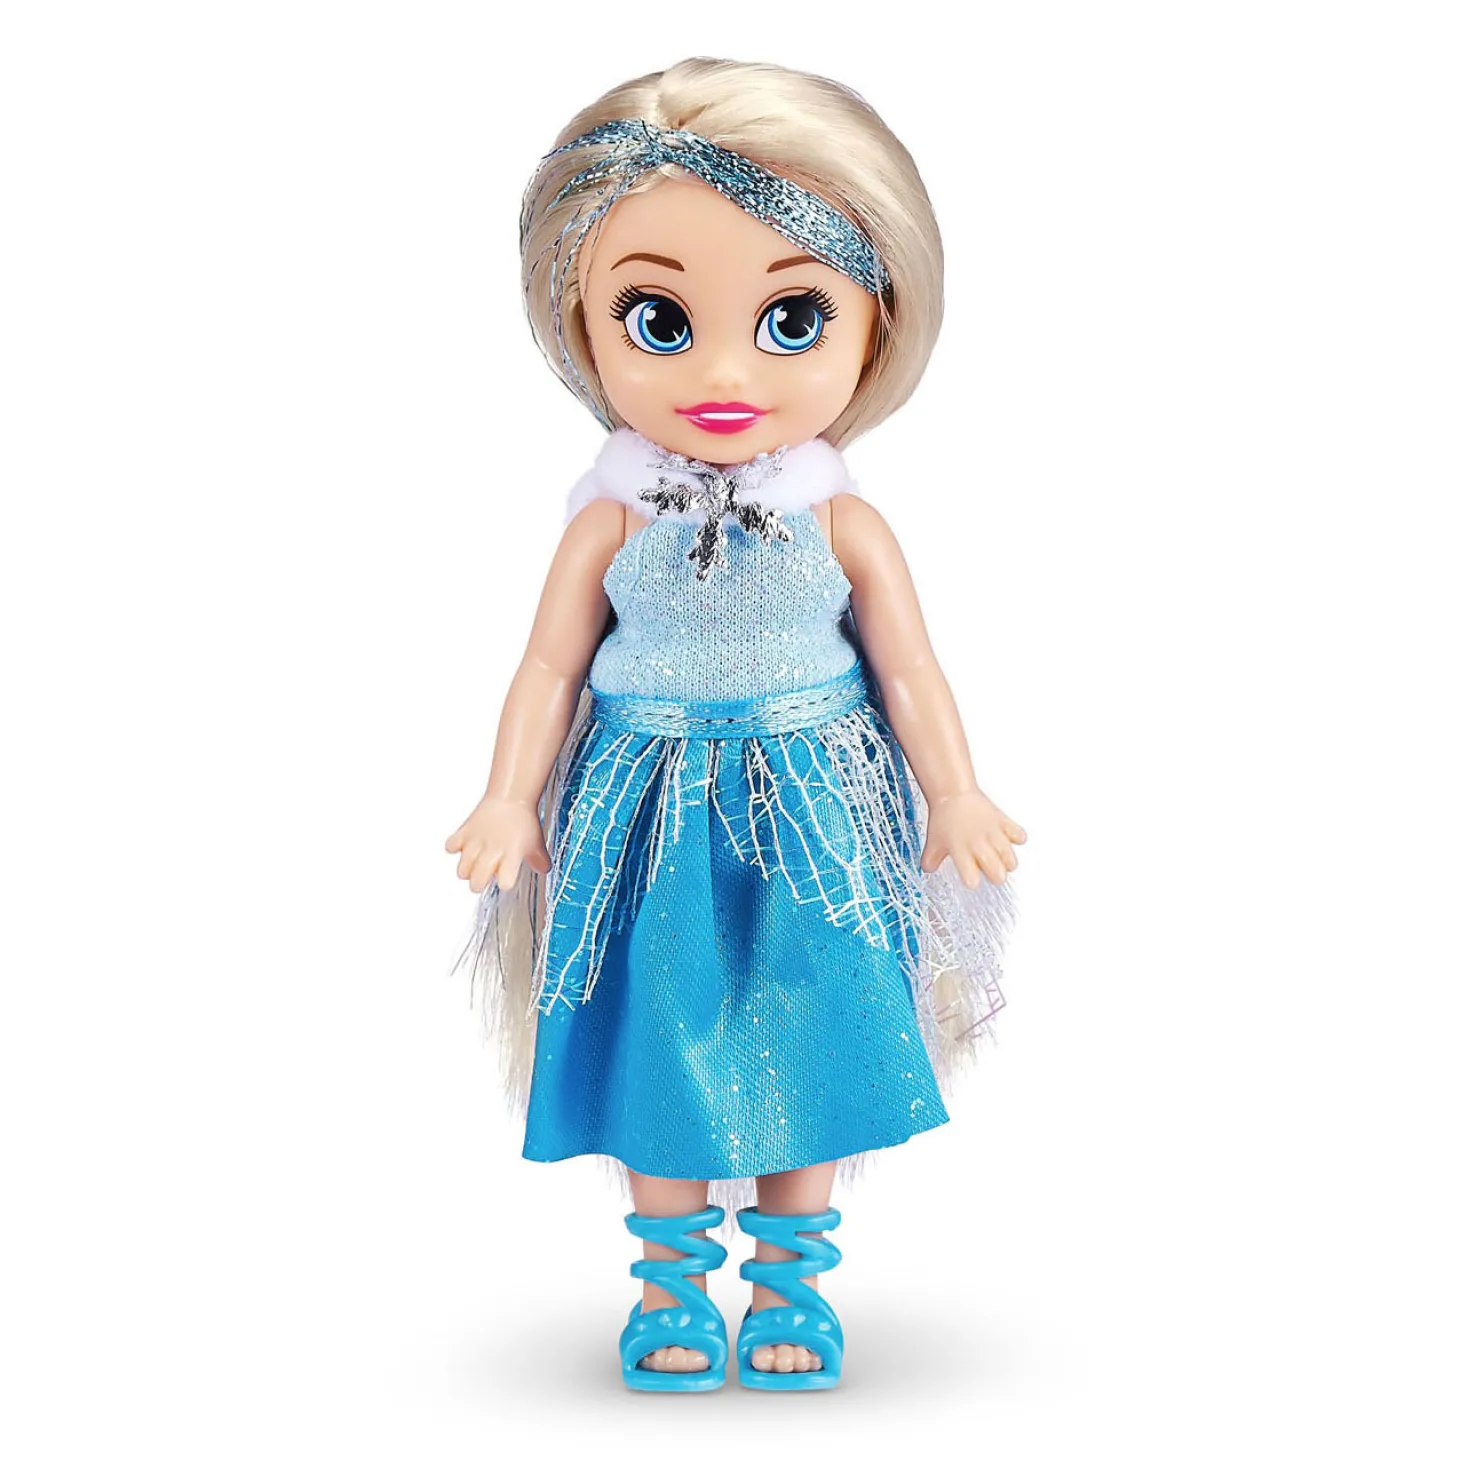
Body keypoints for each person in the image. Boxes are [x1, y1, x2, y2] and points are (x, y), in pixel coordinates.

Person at [447, 57, 1025, 1392]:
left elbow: (910, 670)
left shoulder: (843, 521)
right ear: (580, 323)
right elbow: (548, 666)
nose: (721, 372)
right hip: (644, 809)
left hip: (815, 806)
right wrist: (508, 796)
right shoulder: (609, 520)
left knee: (810, 1024)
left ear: (876, 325)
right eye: (657, 318)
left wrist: (954, 791)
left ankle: (790, 1283)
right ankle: (668, 1284)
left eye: (790, 319)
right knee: (659, 1028)